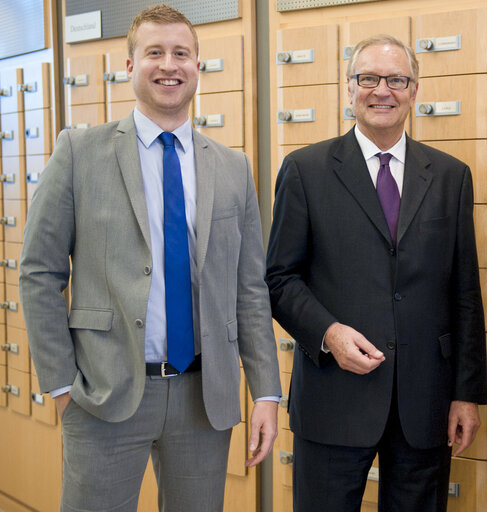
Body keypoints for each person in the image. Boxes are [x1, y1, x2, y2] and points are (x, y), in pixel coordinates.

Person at [19, 5, 280, 511]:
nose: (169, 65)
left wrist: (265, 390)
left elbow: (250, 288)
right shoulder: (79, 152)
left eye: (181, 53)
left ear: (198, 65)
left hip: (204, 399)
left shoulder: (232, 167)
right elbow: (38, 273)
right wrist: (60, 386)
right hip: (104, 392)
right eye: (154, 52)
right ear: (129, 66)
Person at [265, 34, 487, 512]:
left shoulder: (451, 176)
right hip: (333, 397)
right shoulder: (305, 170)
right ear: (349, 89)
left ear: (414, 90)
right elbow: (280, 280)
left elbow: (464, 291)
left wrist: (467, 394)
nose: (382, 90)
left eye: (396, 79)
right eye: (369, 78)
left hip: (425, 404)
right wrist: (328, 333)